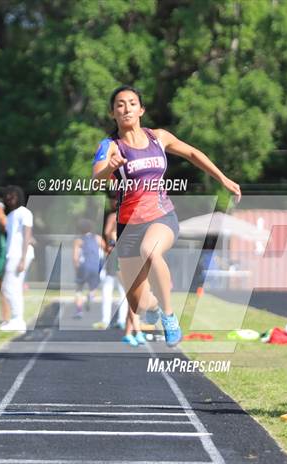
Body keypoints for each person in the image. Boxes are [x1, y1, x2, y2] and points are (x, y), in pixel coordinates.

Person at [92, 85, 241, 347]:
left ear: (141, 109)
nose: (126, 108)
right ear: (112, 113)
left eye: (131, 103)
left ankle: (170, 317)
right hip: (129, 226)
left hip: (162, 216)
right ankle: (158, 304)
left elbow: (193, 153)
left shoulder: (158, 137)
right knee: (138, 303)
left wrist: (223, 178)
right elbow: (96, 177)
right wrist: (109, 169)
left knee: (152, 250)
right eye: (119, 105)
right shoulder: (110, 146)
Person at [1, 185, 34, 332]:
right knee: (12, 288)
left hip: (19, 255)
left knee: (9, 287)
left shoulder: (24, 213)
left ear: (19, 196)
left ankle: (17, 320)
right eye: (8, 196)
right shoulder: (10, 216)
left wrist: (22, 258)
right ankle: (17, 320)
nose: (10, 198)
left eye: (13, 195)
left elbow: (27, 234)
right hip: (12, 254)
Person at [93, 195, 128, 330]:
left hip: (115, 253)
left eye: (113, 200)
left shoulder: (114, 216)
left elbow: (108, 232)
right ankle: (121, 320)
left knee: (108, 287)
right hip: (126, 253)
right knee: (123, 289)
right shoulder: (131, 216)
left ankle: (106, 319)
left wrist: (108, 245)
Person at [72, 218, 103, 319]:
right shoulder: (98, 238)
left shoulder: (78, 240)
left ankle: (79, 311)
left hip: (84, 266)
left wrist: (76, 268)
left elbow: (75, 257)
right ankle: (90, 296)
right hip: (95, 266)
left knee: (79, 289)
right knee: (93, 287)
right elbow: (106, 249)